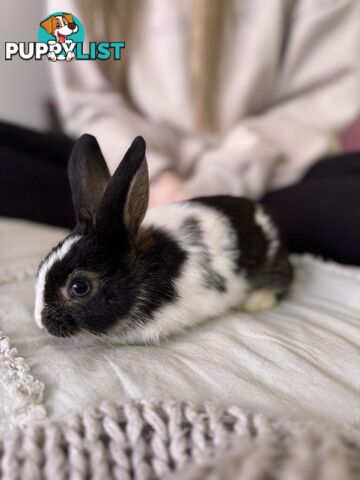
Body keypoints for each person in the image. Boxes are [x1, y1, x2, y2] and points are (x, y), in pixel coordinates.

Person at [0, 0, 360, 264]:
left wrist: (211, 184)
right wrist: (156, 181)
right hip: (124, 178)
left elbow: (315, 104)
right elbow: (91, 105)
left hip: (270, 174)